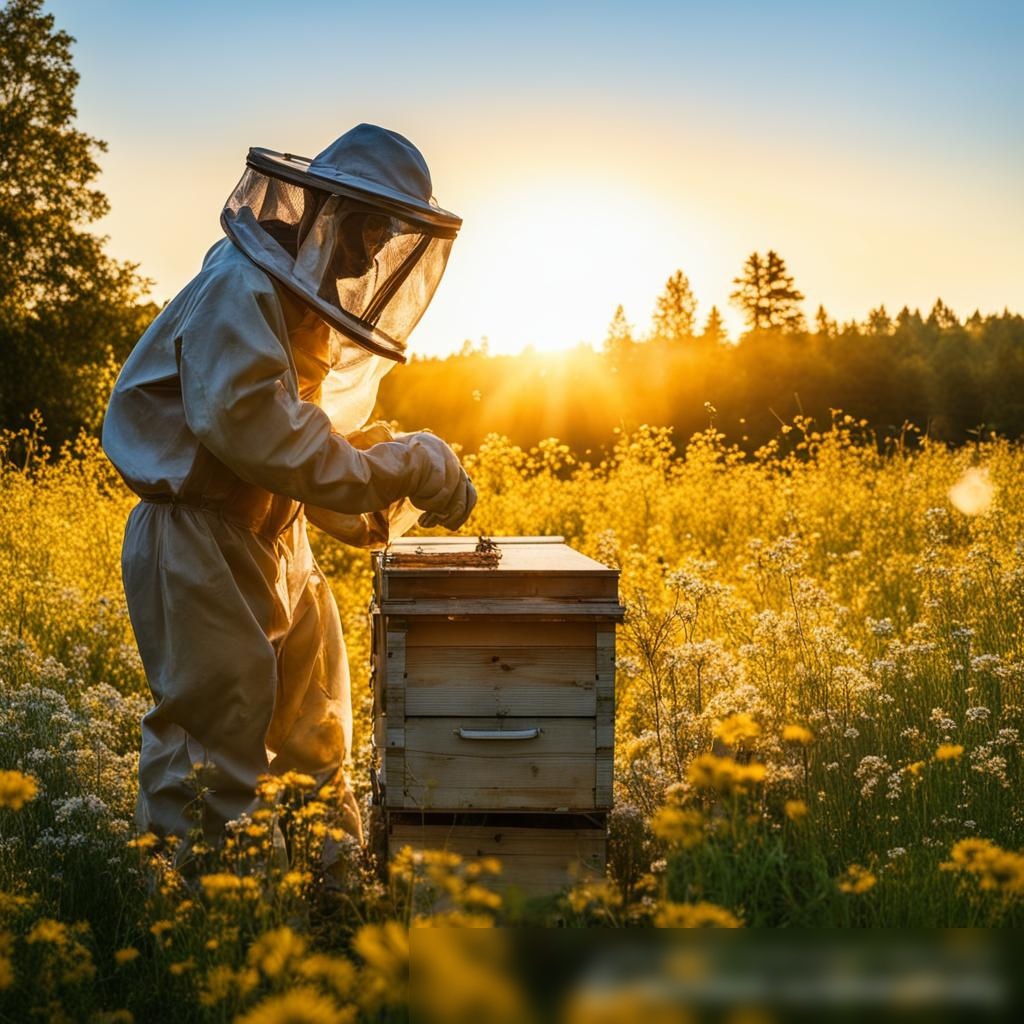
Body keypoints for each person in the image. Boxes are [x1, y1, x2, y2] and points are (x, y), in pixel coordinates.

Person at [101, 124, 474, 859]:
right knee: (215, 740)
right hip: (196, 540)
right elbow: (259, 433)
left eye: (388, 232)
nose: (373, 250)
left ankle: (327, 899)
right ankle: (205, 932)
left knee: (315, 729)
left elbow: (306, 454)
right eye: (368, 226)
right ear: (325, 208)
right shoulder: (237, 288)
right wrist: (402, 465)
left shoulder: (302, 307)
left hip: (274, 537)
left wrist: (384, 501)